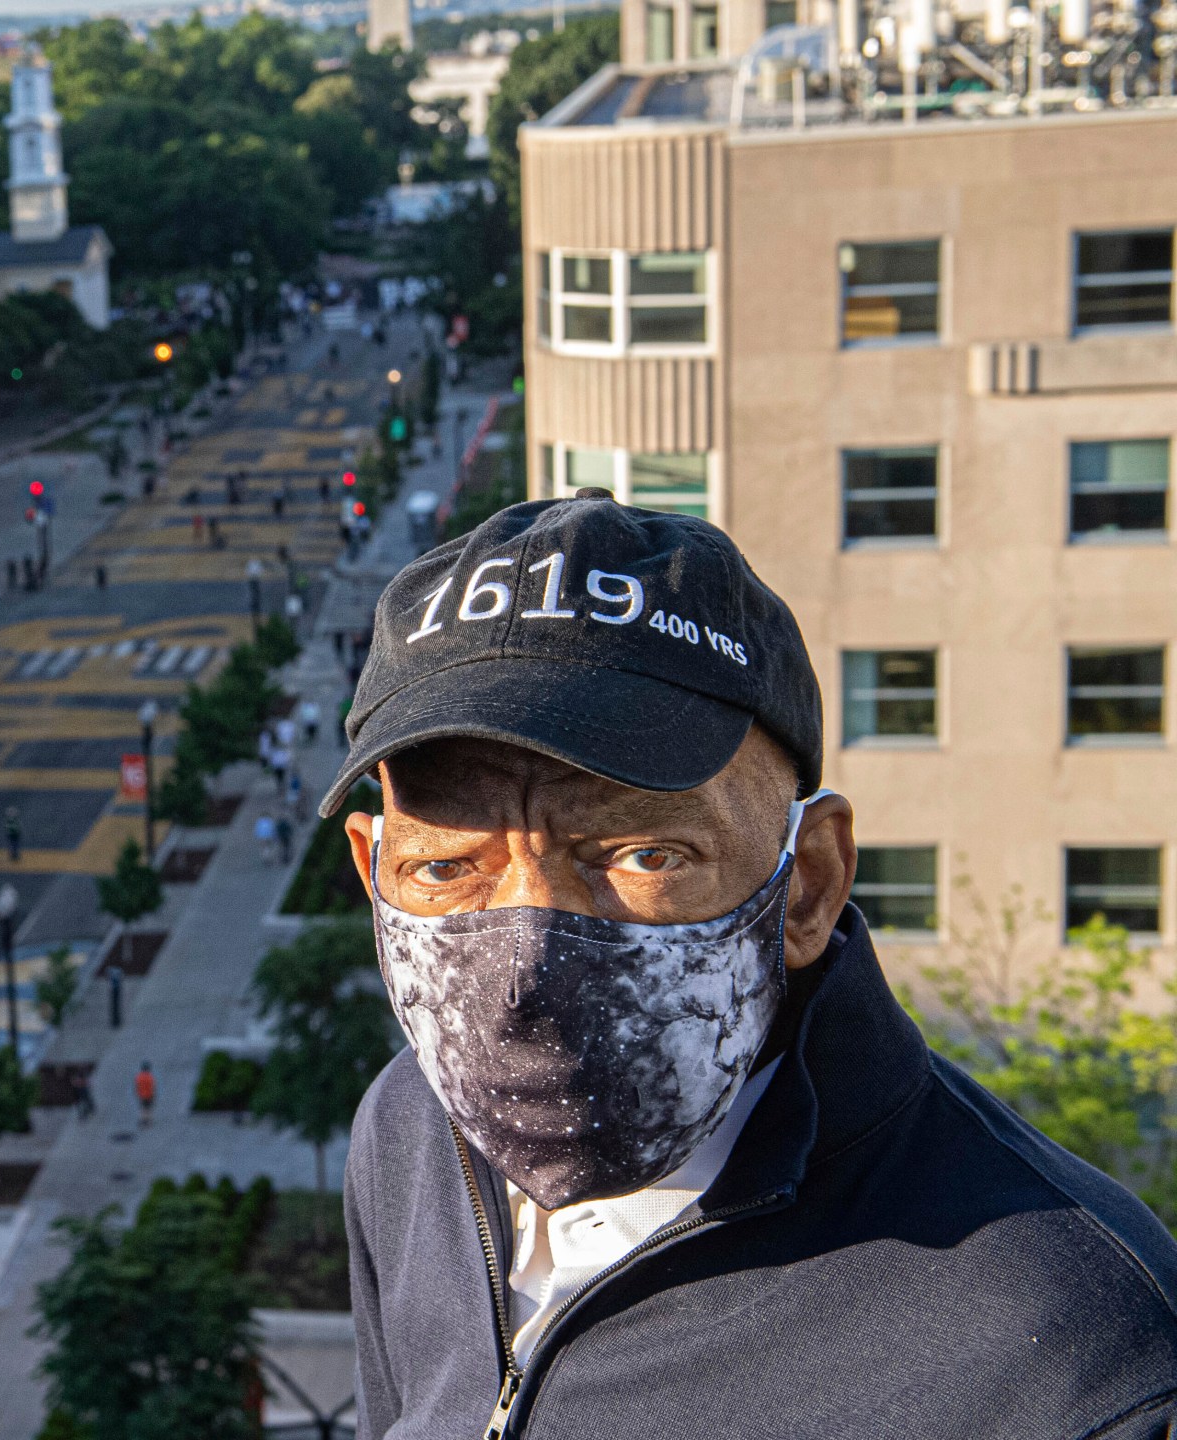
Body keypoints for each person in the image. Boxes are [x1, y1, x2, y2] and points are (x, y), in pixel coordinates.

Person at [325, 491, 1177, 1436]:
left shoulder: (1074, 1363)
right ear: (373, 871)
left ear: (809, 882)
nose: (525, 974)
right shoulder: (407, 1131)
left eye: (643, 855)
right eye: (445, 868)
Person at [132, 1061, 156, 1127]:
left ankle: (143, 1120)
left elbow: (137, 1086)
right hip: (149, 1095)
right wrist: (153, 1094)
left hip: (141, 1095)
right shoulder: (150, 1077)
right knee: (148, 1108)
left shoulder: (138, 1077)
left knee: (143, 1108)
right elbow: (152, 1087)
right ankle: (148, 1121)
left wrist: (137, 1093)